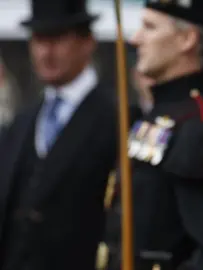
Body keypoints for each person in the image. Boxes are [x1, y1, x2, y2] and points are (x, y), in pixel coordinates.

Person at [103, 1, 203, 270]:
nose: (136, 39)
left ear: (186, 39)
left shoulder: (200, 127)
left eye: (150, 27)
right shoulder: (160, 115)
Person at [0, 0, 118, 269]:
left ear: (87, 42)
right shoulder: (22, 123)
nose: (46, 52)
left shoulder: (116, 119)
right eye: (39, 40)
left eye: (57, 39)